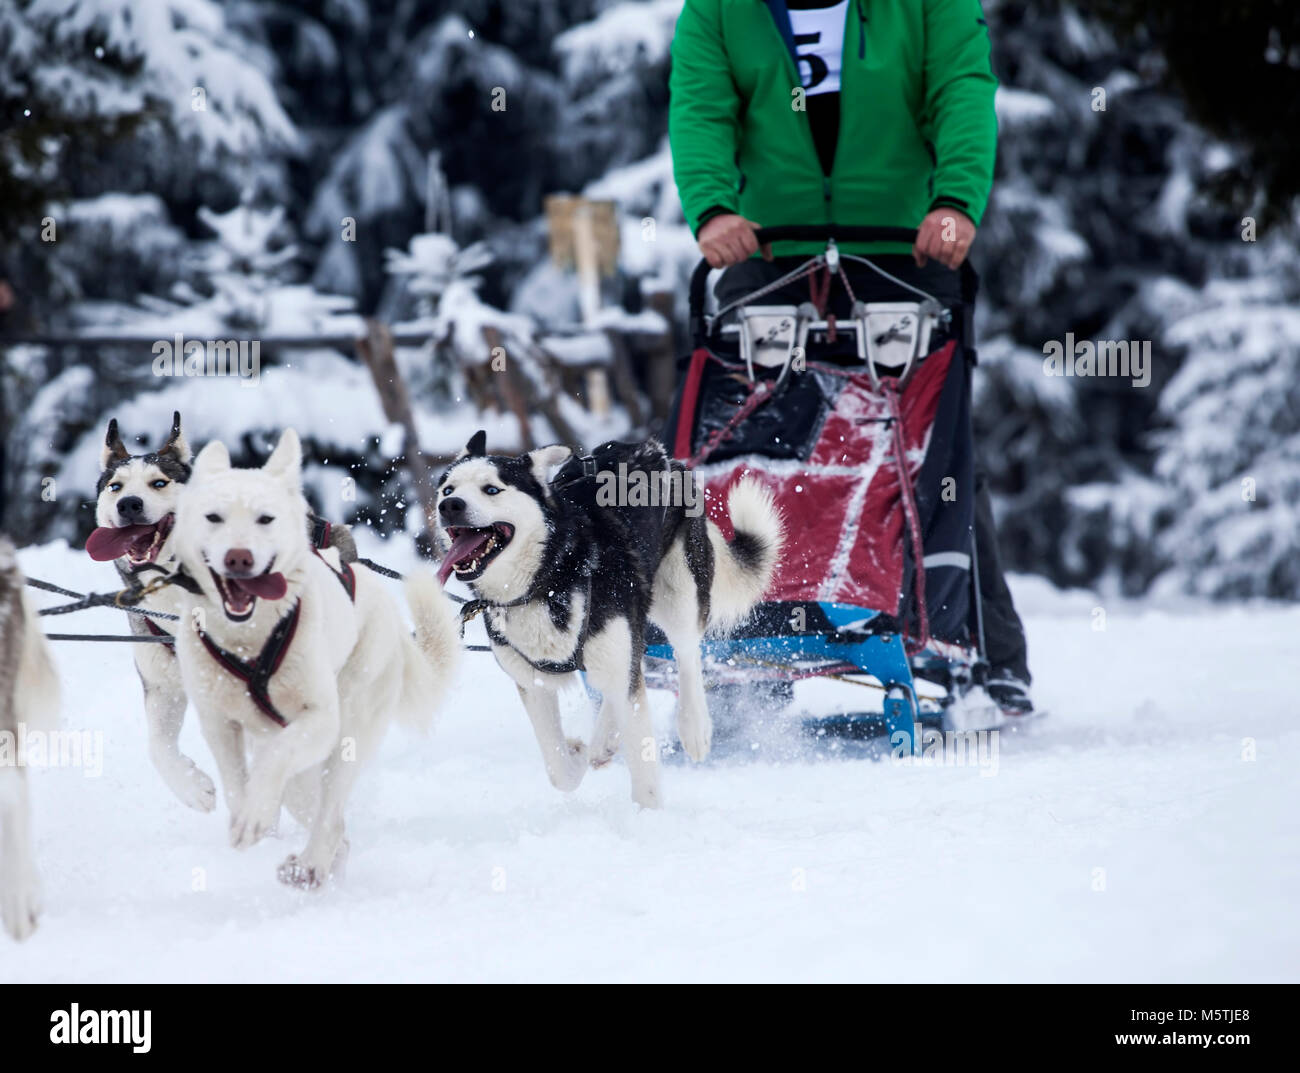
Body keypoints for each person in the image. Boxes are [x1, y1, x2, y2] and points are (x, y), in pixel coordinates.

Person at [668, 0, 1032, 713]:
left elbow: (959, 88)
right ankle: (742, 636)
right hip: (769, 247)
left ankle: (972, 650)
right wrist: (712, 208)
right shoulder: (718, 8)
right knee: (750, 446)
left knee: (931, 446)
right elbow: (702, 107)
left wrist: (956, 198)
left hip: (904, 243)